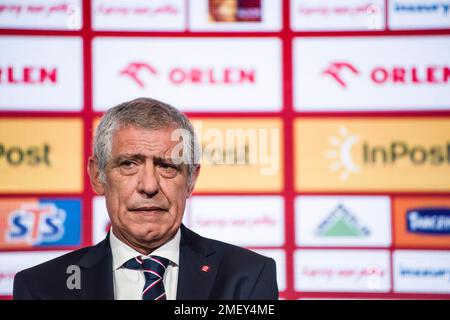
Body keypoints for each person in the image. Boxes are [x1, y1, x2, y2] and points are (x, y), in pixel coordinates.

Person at [13, 97, 278, 300]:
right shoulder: (41, 286)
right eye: (129, 164)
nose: (149, 186)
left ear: (191, 179)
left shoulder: (248, 276)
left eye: (167, 166)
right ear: (98, 176)